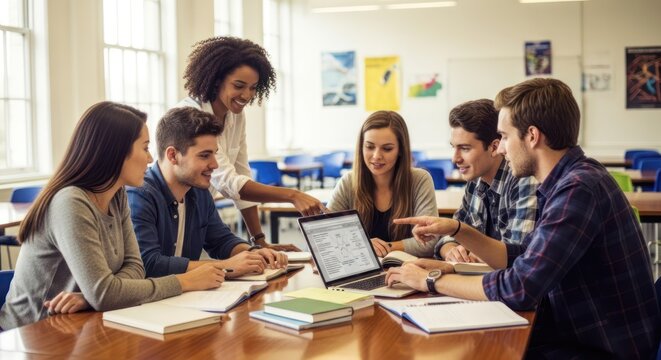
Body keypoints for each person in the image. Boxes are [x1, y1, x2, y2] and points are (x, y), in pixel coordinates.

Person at [386, 78, 660, 358]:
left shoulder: (579, 189)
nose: (501, 149)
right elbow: (524, 256)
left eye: (504, 136)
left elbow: (520, 287)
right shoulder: (566, 181)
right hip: (580, 331)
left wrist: (429, 281)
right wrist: (448, 266)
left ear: (531, 136)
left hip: (605, 347)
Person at [0, 102, 226, 330]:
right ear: (116, 152)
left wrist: (97, 295)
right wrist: (185, 281)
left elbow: (135, 268)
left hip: (80, 326)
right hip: (31, 335)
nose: (150, 159)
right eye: (145, 148)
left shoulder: (117, 196)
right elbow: (104, 292)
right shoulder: (70, 202)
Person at [179, 36, 326, 251]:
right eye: (239, 86)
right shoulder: (190, 115)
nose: (247, 95)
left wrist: (259, 240)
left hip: (200, 210)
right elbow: (228, 181)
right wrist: (292, 195)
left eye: (253, 88)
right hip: (175, 211)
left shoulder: (235, 116)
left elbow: (241, 173)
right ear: (216, 80)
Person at [127, 107, 287, 278]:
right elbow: (149, 264)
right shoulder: (139, 195)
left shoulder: (199, 191)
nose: (215, 165)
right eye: (204, 156)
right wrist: (225, 266)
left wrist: (254, 253)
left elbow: (221, 241)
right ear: (173, 156)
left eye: (214, 155)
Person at [434, 99, 537, 265]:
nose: (455, 159)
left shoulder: (523, 179)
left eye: (465, 148)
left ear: (494, 147)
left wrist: (476, 253)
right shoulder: (475, 181)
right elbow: (452, 231)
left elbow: (517, 257)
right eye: (454, 147)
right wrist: (451, 250)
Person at [327, 111, 437, 257]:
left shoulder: (420, 180)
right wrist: (363, 244)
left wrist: (379, 248)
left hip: (409, 273)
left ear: (400, 150)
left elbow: (430, 242)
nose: (376, 156)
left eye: (387, 149)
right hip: (362, 274)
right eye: (369, 146)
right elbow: (325, 237)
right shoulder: (348, 181)